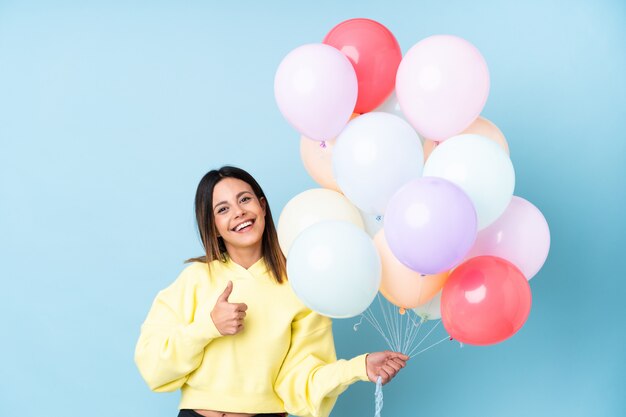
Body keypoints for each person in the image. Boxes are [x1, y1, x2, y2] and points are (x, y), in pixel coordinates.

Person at [134, 166, 409, 417]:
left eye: (244, 199)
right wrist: (208, 326)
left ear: (262, 206)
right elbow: (153, 366)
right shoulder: (193, 280)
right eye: (222, 209)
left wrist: (358, 367)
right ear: (213, 227)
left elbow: (301, 381)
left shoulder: (299, 283)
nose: (239, 212)